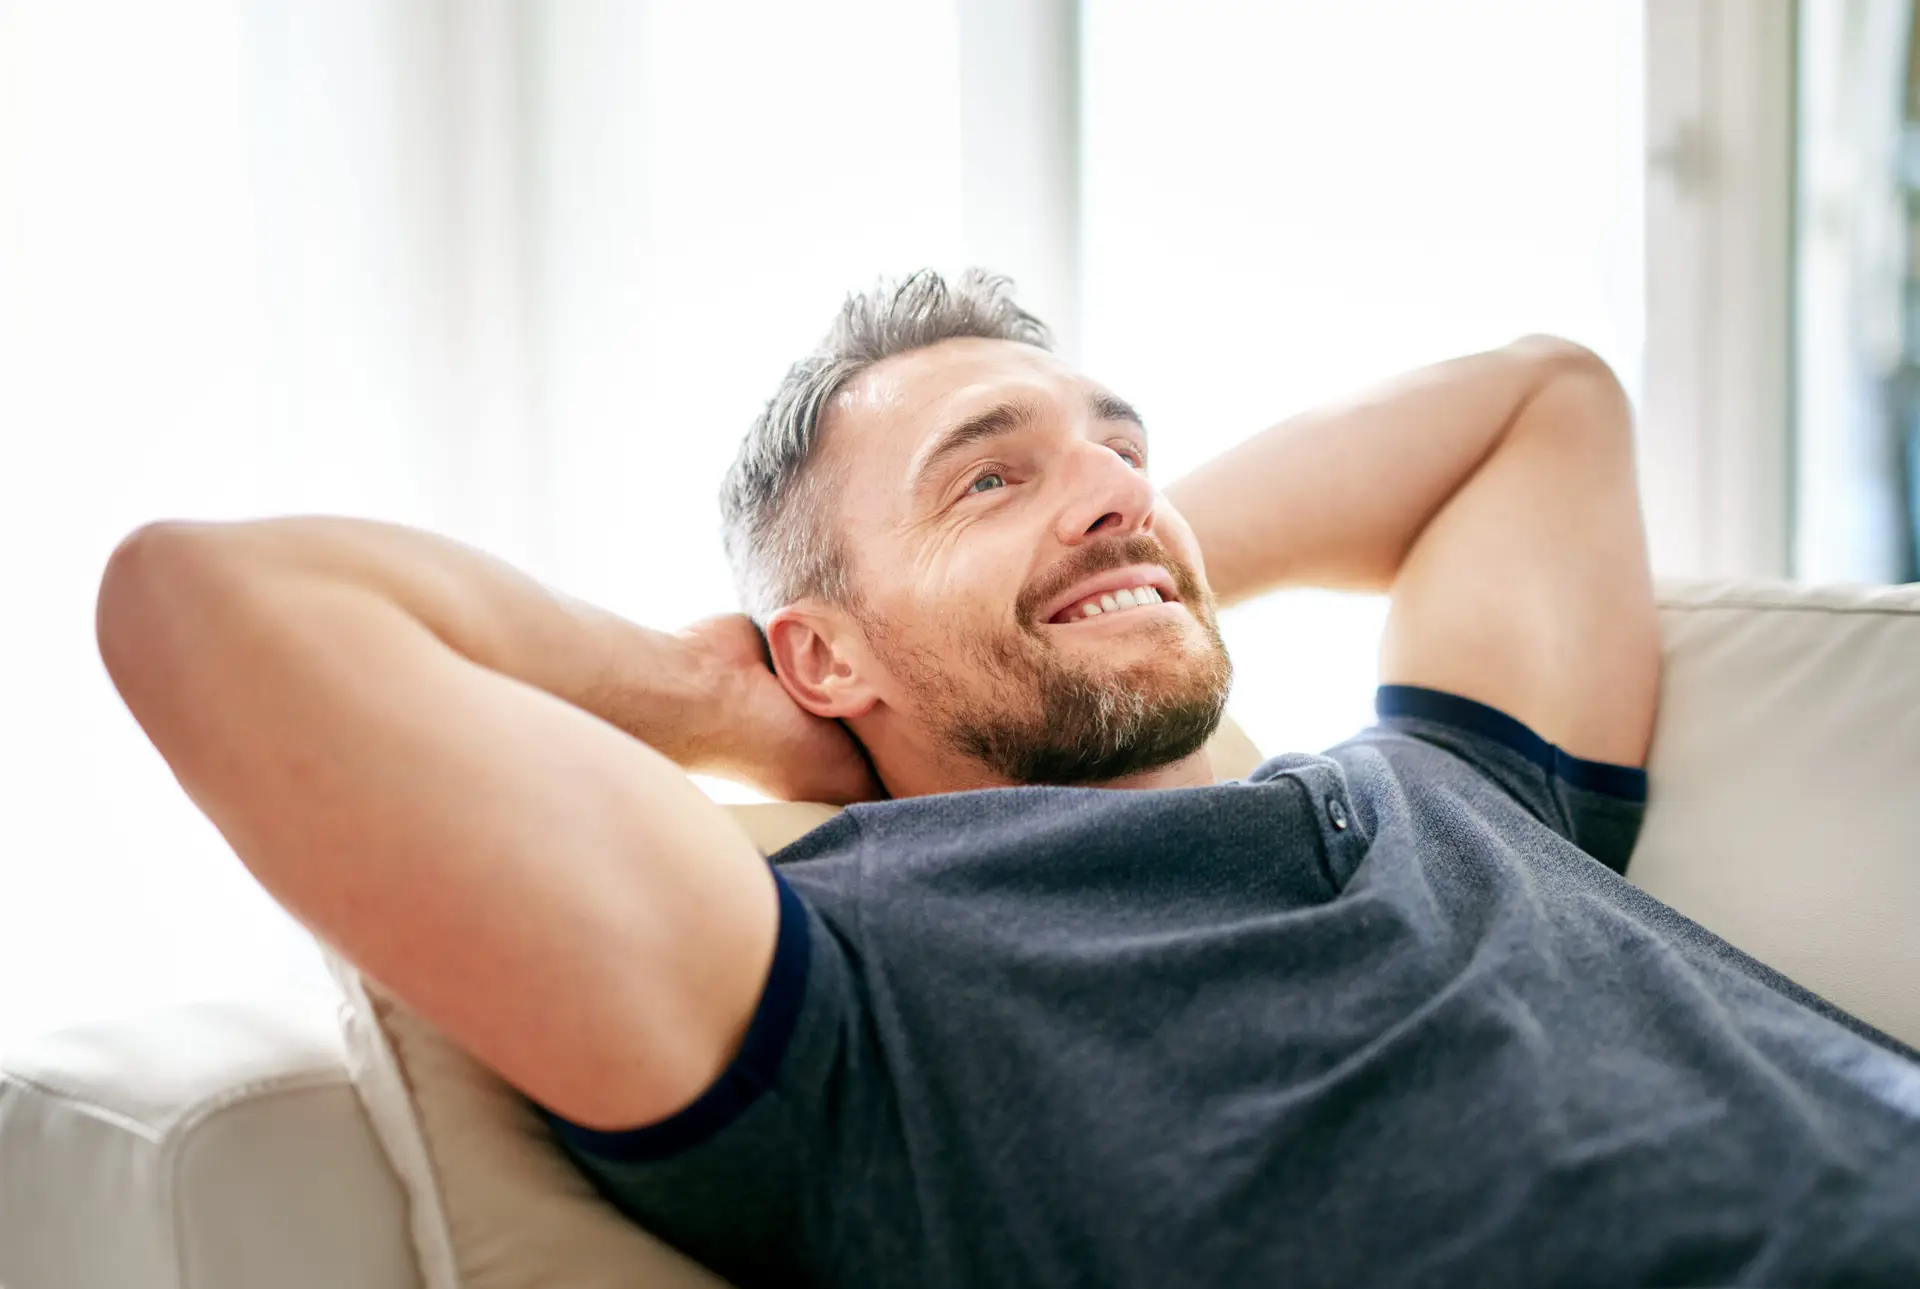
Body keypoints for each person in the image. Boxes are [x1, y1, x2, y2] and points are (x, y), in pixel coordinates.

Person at [98, 270, 1920, 1287]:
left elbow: (1543, 396)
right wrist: (724, 698)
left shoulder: (1456, 790)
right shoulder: (842, 986)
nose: (1119, 485)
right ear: (822, 653)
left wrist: (1113, 544)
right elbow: (209, 607)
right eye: (989, 475)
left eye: (1127, 451)